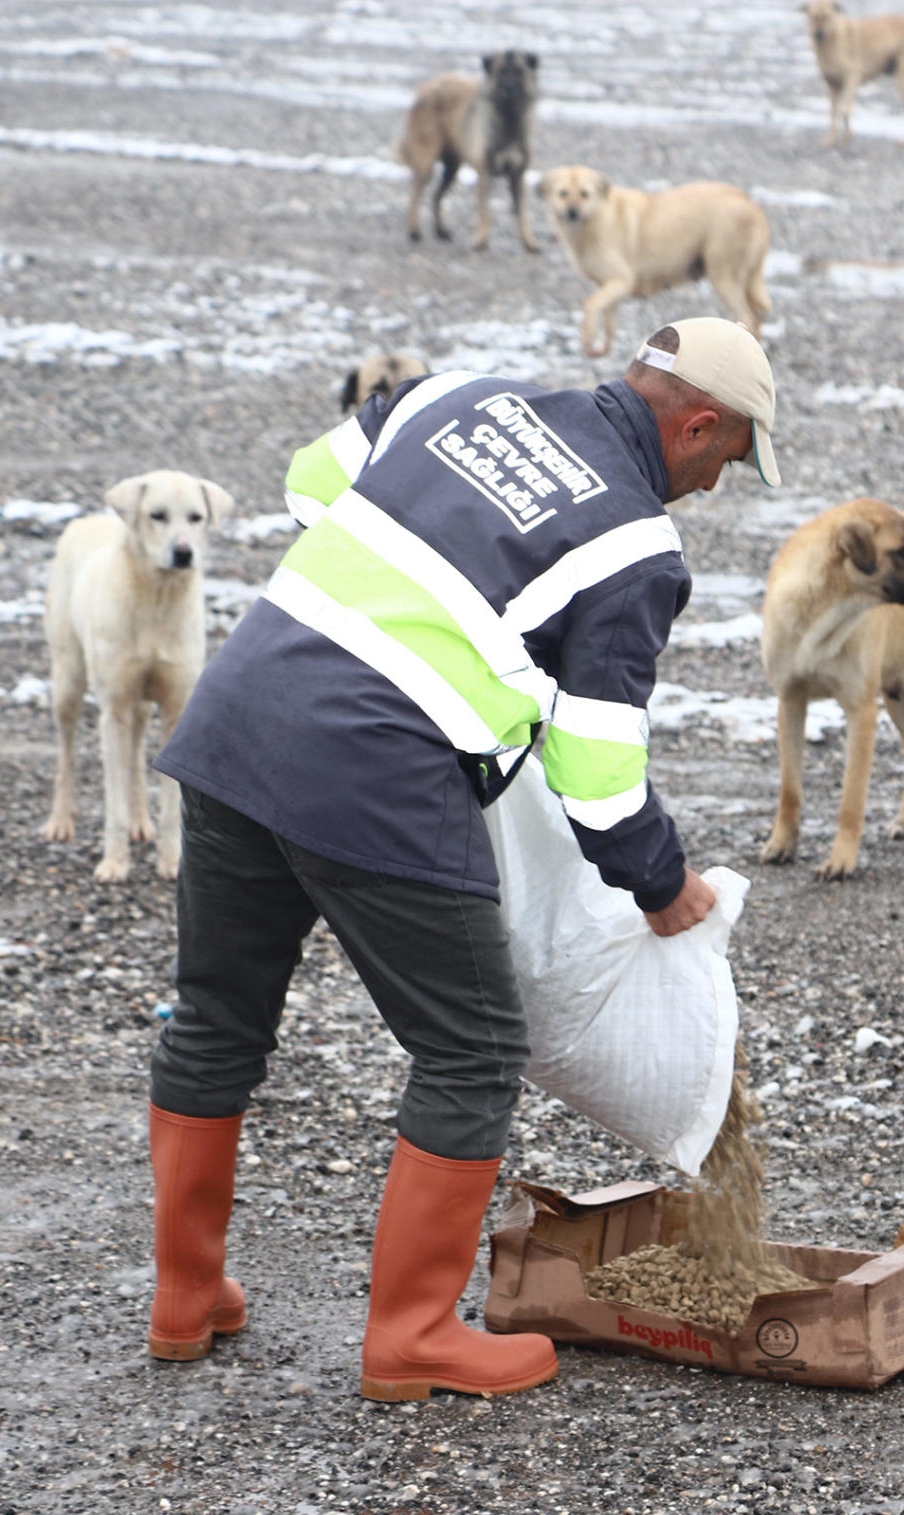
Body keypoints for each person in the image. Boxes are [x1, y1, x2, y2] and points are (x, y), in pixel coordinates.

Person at [140, 318, 781, 1401]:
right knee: (474, 1047)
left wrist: (434, 583)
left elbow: (312, 486)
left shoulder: (458, 395)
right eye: (727, 461)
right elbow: (596, 771)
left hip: (239, 717)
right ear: (699, 423)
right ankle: (412, 1336)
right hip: (372, 775)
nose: (716, 488)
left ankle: (183, 1298)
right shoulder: (633, 547)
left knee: (216, 1018)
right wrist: (664, 887)